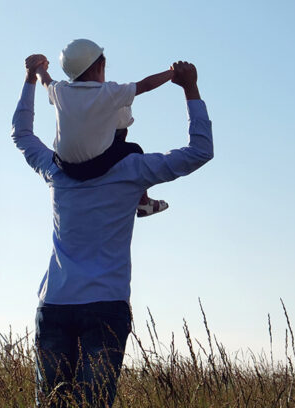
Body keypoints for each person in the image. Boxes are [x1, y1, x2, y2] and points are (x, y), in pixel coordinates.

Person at [12, 56, 213, 407]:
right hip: (106, 305)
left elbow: (22, 134)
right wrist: (190, 89)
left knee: (52, 403)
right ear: (116, 132)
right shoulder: (133, 169)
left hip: (56, 303)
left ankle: (144, 204)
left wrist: (31, 78)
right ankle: (143, 203)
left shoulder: (54, 170)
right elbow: (199, 151)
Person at [30, 39, 173, 217]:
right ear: (101, 65)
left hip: (63, 165)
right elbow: (145, 85)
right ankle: (143, 202)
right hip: (94, 167)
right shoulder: (109, 92)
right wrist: (171, 73)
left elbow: (45, 80)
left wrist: (38, 67)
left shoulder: (60, 90)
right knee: (134, 149)